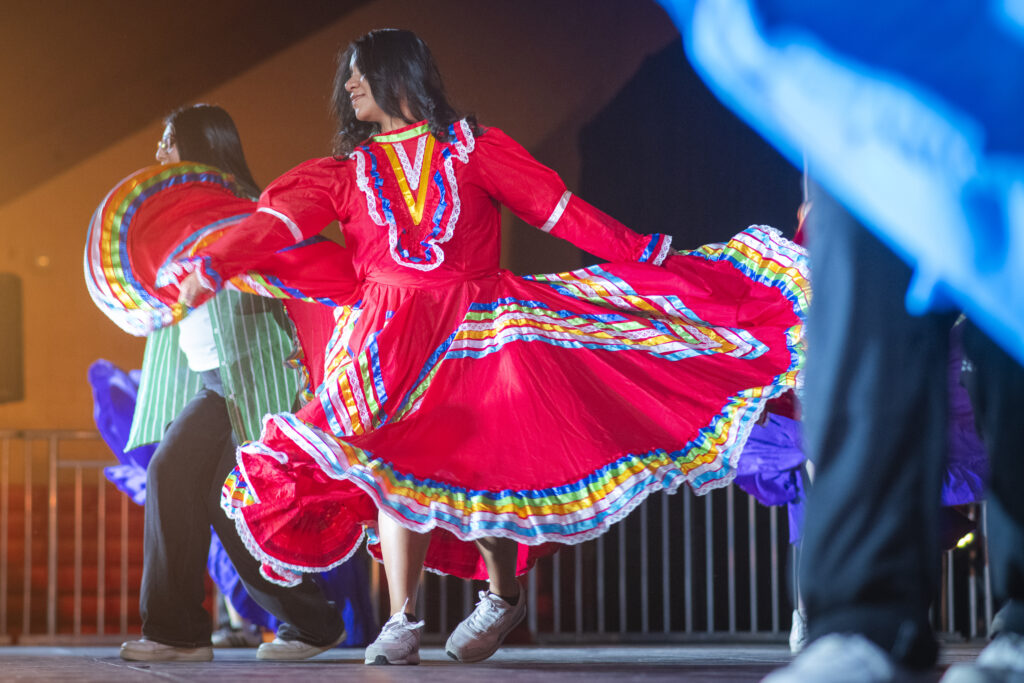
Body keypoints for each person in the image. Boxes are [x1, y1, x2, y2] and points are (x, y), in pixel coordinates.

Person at [173, 29, 810, 666]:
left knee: (483, 466)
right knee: (391, 466)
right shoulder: (344, 174)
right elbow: (275, 225)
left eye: (360, 71)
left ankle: (502, 596)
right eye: (348, 75)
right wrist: (213, 261)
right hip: (384, 340)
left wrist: (642, 254)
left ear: (399, 74)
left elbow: (558, 212)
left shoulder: (473, 149)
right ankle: (401, 619)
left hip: (478, 329)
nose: (348, 86)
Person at [109, 104, 347, 662]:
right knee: (224, 505)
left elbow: (300, 279)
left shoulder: (250, 213)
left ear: (200, 145)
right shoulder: (174, 221)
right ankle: (312, 624)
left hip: (251, 383)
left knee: (174, 476)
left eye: (169, 142)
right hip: (210, 382)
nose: (160, 154)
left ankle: (177, 634)